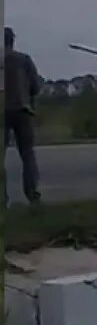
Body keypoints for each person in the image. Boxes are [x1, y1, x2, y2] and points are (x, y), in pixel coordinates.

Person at [3, 27, 43, 204]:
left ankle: (2, 200)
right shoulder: (24, 59)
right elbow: (35, 85)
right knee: (27, 155)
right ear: (13, 40)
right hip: (22, 110)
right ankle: (32, 194)